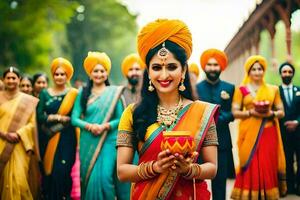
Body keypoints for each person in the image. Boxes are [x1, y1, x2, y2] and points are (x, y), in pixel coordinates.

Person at [117, 19, 219, 200]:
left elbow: (212, 167)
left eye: (171, 67)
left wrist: (188, 169)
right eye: (156, 67)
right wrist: (155, 168)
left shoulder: (202, 112)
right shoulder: (133, 113)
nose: (164, 75)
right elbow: (122, 171)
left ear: (184, 70)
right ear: (148, 71)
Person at [71, 51, 130, 199]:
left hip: (109, 139)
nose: (99, 74)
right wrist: (89, 126)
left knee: (105, 178)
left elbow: (121, 117)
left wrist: (105, 126)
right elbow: (74, 118)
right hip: (88, 139)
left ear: (107, 73)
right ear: (90, 74)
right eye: (95, 71)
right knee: (89, 178)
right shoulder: (82, 92)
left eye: (102, 71)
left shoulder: (114, 93)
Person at [231, 55, 287, 199]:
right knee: (249, 163)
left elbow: (281, 112)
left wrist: (270, 113)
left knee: (267, 164)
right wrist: (251, 112)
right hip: (248, 132)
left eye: (260, 69)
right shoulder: (241, 90)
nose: (257, 72)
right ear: (248, 72)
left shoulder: (273, 90)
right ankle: (248, 194)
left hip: (268, 132)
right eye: (254, 69)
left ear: (264, 71)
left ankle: (268, 194)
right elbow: (235, 112)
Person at [196, 49, 235, 200]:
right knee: (197, 180)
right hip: (200, 141)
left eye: (215, 65)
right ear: (204, 67)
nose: (212, 68)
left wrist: (216, 118)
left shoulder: (229, 88)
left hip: (222, 142)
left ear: (221, 67)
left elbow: (233, 112)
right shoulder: (197, 88)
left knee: (220, 183)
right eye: (209, 65)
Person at [37, 58, 78, 200]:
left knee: (63, 172)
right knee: (49, 173)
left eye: (62, 74)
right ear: (53, 75)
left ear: (67, 76)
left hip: (67, 139)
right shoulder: (44, 93)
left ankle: (65, 196)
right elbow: (40, 116)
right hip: (47, 138)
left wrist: (53, 117)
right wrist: (57, 118)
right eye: (56, 74)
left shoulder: (73, 94)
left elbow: (75, 116)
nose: (59, 77)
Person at [0, 66, 40, 199]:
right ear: (3, 80)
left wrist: (18, 133)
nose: (11, 81)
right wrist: (4, 134)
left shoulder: (27, 101)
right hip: (1, 144)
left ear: (19, 79)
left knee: (20, 182)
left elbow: (32, 124)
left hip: (19, 145)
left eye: (14, 78)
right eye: (8, 78)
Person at [278, 62, 300, 195]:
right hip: (282, 131)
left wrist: (297, 122)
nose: (287, 74)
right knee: (287, 160)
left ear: (293, 74)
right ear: (280, 74)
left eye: (289, 72)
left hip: (298, 131)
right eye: (284, 72)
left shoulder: (299, 90)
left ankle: (298, 187)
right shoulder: (276, 91)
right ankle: (289, 187)